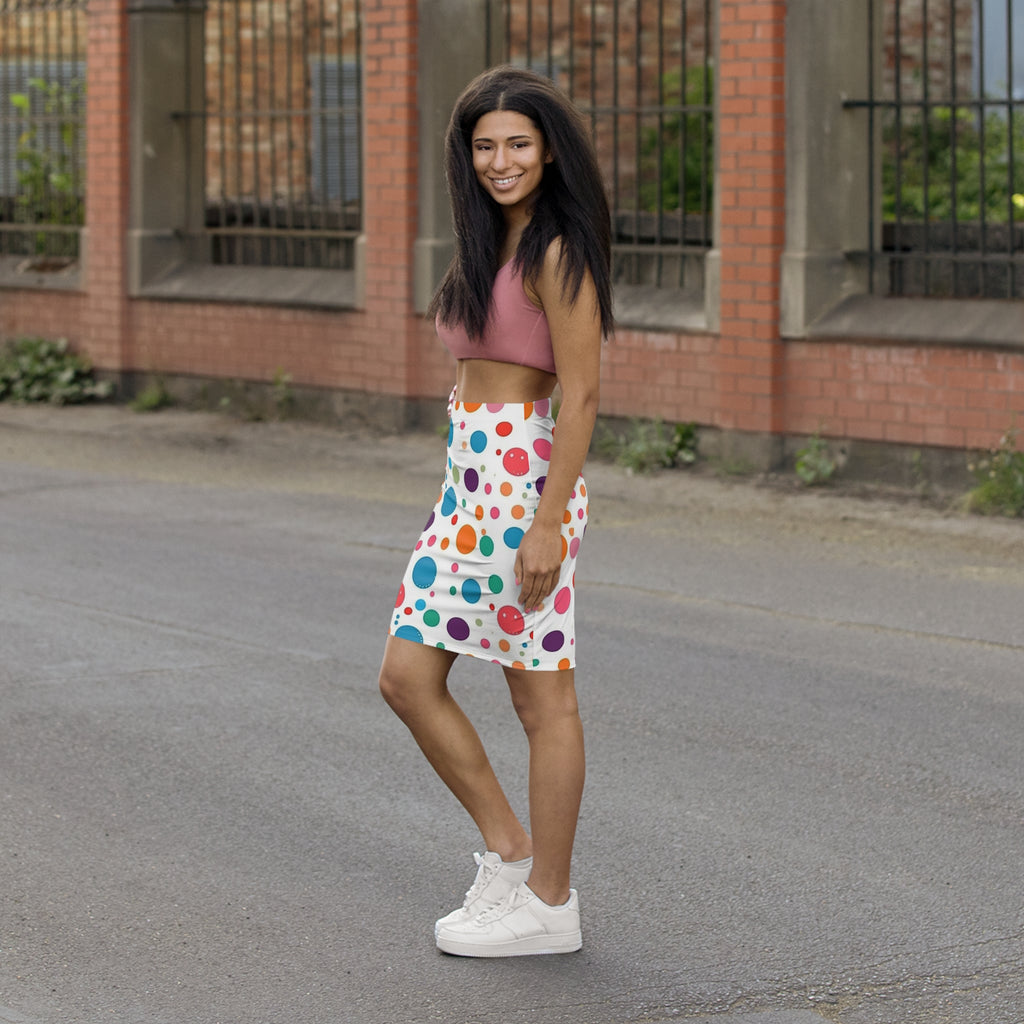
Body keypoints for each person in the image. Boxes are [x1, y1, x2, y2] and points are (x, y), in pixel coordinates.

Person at [377, 65, 613, 958]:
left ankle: (549, 902)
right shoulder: (487, 243)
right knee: (406, 677)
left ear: (548, 151)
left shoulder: (557, 250)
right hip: (468, 487)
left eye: (518, 143)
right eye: (485, 146)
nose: (501, 160)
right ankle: (510, 854)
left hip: (523, 489)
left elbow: (581, 395)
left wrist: (548, 522)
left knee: (541, 697)